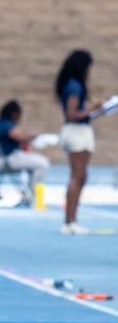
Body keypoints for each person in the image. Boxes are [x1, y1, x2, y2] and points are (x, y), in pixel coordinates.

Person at [56, 49, 96, 234]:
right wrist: (93, 109)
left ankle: (72, 219)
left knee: (81, 176)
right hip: (76, 132)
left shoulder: (71, 85)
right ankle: (69, 220)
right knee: (77, 176)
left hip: (77, 130)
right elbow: (72, 114)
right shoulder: (74, 86)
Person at [0, 100, 49, 207]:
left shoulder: (0, 124)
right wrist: (37, 138)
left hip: (3, 159)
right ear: (14, 114)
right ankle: (33, 195)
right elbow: (20, 136)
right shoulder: (5, 125)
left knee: (34, 164)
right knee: (42, 163)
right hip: (9, 159)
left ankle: (30, 193)